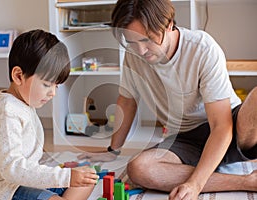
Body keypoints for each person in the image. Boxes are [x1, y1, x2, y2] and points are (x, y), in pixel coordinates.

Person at [78, 0, 257, 199]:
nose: (141, 51)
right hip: (183, 137)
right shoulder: (134, 56)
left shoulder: (202, 48)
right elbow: (127, 101)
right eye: (132, 42)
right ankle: (246, 181)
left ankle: (208, 170)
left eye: (148, 40)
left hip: (229, 129)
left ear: (169, 23)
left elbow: (222, 127)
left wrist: (196, 184)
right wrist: (112, 150)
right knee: (139, 168)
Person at [0, 29, 98, 200]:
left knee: (87, 180)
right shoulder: (7, 112)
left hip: (26, 179)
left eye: (56, 86)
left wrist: (68, 176)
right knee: (72, 180)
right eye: (47, 85)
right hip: (5, 190)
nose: (52, 93)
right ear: (18, 76)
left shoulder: (23, 102)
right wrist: (65, 176)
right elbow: (12, 168)